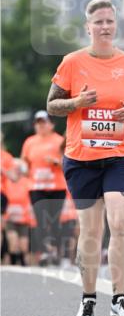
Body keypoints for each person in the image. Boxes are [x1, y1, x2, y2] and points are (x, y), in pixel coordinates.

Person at [46, 0, 124, 316]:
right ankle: (88, 300)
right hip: (82, 158)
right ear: (88, 27)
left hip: (120, 156)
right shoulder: (72, 62)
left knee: (119, 223)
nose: (105, 27)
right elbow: (52, 105)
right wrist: (77, 102)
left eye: (109, 21)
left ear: (116, 25)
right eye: (98, 22)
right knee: (91, 231)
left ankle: (120, 299)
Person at [20, 111, 67, 265]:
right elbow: (24, 162)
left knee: (54, 221)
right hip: (36, 187)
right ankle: (45, 251)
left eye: (43, 122)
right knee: (40, 220)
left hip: (56, 187)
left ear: (51, 124)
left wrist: (55, 162)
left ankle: (56, 250)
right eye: (38, 123)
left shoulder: (59, 140)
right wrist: (23, 168)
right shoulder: (29, 142)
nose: (40, 126)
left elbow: (68, 163)